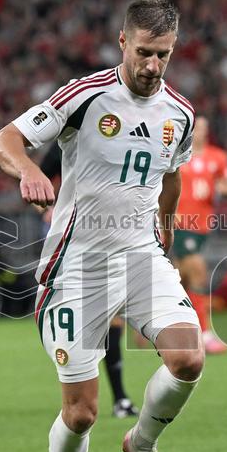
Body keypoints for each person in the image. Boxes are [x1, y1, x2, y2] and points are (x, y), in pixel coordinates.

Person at [0, 0, 204, 452]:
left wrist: (166, 225)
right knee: (81, 413)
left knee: (188, 357)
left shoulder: (180, 114)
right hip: (76, 265)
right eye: (143, 52)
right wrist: (30, 170)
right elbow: (5, 139)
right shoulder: (84, 97)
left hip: (140, 256)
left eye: (162, 55)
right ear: (122, 43)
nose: (151, 65)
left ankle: (143, 445)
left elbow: (173, 174)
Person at [41, 142, 139, 418]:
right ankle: (91, 392)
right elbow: (39, 178)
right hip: (73, 242)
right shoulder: (67, 143)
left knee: (111, 320)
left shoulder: (124, 138)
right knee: (93, 323)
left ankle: (117, 397)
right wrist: (47, 207)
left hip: (115, 237)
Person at [173, 116, 227, 354]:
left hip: (202, 226)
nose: (200, 131)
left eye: (204, 128)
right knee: (198, 273)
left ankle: (150, 325)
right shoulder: (176, 154)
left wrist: (224, 189)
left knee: (182, 281)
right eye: (197, 127)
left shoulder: (218, 157)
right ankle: (205, 336)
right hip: (178, 223)